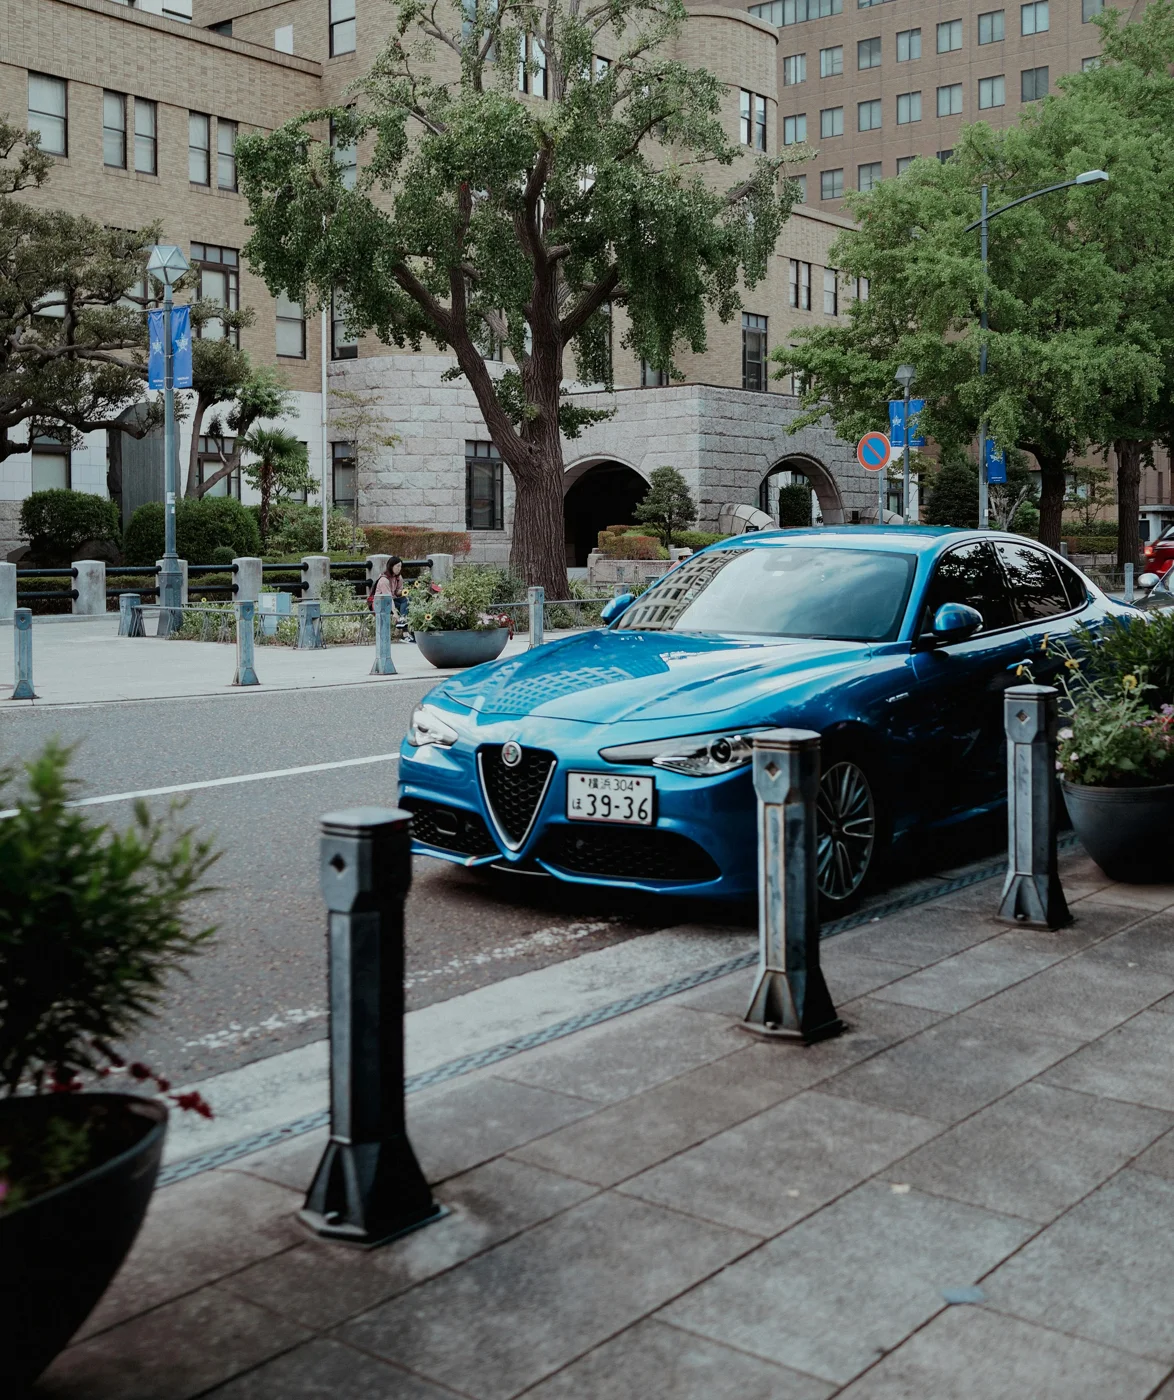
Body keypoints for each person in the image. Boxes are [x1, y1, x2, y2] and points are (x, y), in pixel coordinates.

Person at [372, 557, 411, 636]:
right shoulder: (384, 580)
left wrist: (403, 592)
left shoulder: (398, 577)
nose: (399, 569)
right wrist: (395, 613)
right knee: (402, 607)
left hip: (392, 600)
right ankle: (405, 632)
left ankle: (402, 621)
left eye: (400, 566)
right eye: (397, 566)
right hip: (380, 603)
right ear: (391, 566)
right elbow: (388, 598)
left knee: (408, 599)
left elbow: (397, 592)